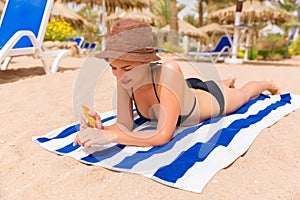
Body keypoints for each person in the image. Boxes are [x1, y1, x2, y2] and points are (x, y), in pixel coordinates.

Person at [73, 19, 280, 148]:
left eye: (126, 68)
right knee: (194, 86)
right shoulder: (125, 80)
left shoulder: (169, 70)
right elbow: (125, 126)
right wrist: (100, 128)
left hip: (210, 100)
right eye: (114, 69)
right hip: (181, 91)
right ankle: (224, 81)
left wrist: (112, 138)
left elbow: (163, 135)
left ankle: (264, 83)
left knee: (243, 94)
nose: (119, 76)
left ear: (147, 62)